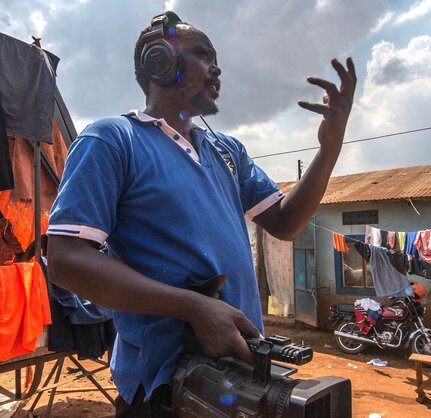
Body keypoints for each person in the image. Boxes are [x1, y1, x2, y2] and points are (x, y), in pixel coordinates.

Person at [46, 11, 357, 417]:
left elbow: (286, 222)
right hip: (166, 391)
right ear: (159, 61)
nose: (217, 69)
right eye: (204, 55)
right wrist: (193, 307)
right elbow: (66, 260)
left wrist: (329, 149)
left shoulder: (227, 151)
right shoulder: (113, 139)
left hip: (239, 384)